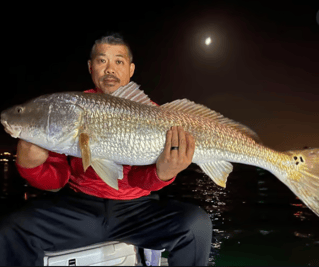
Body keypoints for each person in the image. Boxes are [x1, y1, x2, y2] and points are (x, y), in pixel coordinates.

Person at [0, 34, 212, 266]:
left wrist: (164, 173)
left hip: (137, 213)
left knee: (196, 226)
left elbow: (139, 179)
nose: (110, 69)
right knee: (12, 228)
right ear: (91, 68)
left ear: (131, 69)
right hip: (80, 209)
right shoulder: (70, 108)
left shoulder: (156, 115)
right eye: (102, 61)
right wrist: (31, 166)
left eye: (118, 62)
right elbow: (58, 180)